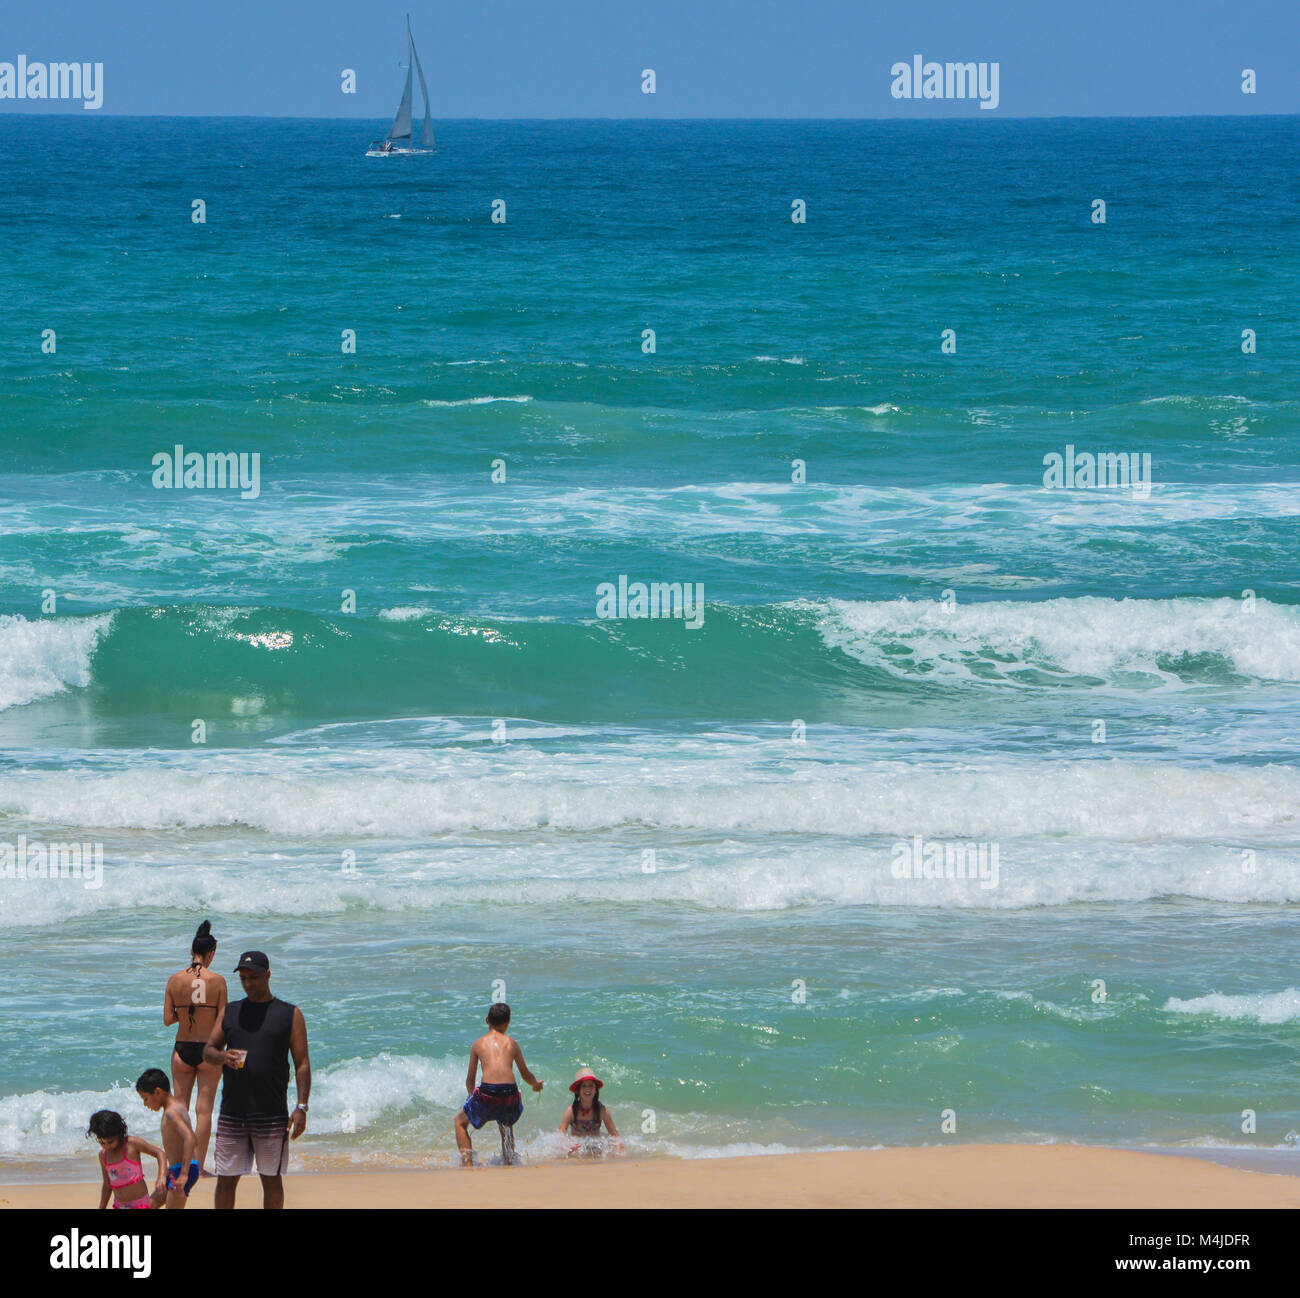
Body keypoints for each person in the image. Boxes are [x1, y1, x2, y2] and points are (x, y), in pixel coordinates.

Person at [203, 950, 311, 1210]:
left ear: (268, 975)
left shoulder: (289, 1014)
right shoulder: (230, 1012)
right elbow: (208, 1050)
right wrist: (222, 1057)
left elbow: (302, 1064)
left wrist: (302, 1107)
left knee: (271, 1180)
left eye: (254, 977)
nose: (249, 983)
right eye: (244, 978)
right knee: (226, 1181)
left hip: (271, 1113)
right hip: (233, 1111)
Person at [163, 919, 227, 1174]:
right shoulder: (219, 981)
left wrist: (187, 1013)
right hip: (208, 1050)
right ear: (211, 953)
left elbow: (168, 1019)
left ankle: (177, 1165)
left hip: (182, 1049)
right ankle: (198, 1168)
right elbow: (224, 1021)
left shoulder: (174, 980)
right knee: (203, 1111)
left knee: (179, 1108)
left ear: (192, 951)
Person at [454, 1002, 542, 1167]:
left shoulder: (478, 1044)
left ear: (487, 1020)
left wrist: (470, 1096)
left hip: (488, 1092)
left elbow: (470, 1080)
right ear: (508, 1023)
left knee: (460, 1121)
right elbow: (526, 1074)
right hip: (510, 1093)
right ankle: (509, 1162)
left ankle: (467, 1165)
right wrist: (536, 1085)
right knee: (506, 1126)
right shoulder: (512, 1043)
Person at [136, 1068, 199, 1208]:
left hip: (182, 1170)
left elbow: (191, 1138)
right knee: (150, 1204)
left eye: (145, 1098)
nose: (145, 1104)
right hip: (176, 1169)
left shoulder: (171, 1112)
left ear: (157, 1092)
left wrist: (183, 1174)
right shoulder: (176, 1107)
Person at [88, 1109, 165, 1210]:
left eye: (111, 1142)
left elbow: (159, 1153)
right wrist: (101, 1207)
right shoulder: (103, 1156)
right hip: (119, 1206)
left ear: (119, 1133)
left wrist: (162, 1176)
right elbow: (107, 1185)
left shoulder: (131, 1144)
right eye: (102, 1143)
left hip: (140, 1204)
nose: (107, 1146)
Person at [557, 1067, 622, 1156]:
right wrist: (566, 1146)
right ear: (578, 1091)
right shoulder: (571, 1111)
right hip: (577, 1152)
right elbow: (561, 1132)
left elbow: (615, 1135)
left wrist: (619, 1152)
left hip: (596, 1151)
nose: (587, 1089)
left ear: (596, 1090)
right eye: (584, 1086)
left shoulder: (602, 1110)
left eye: (591, 1086)